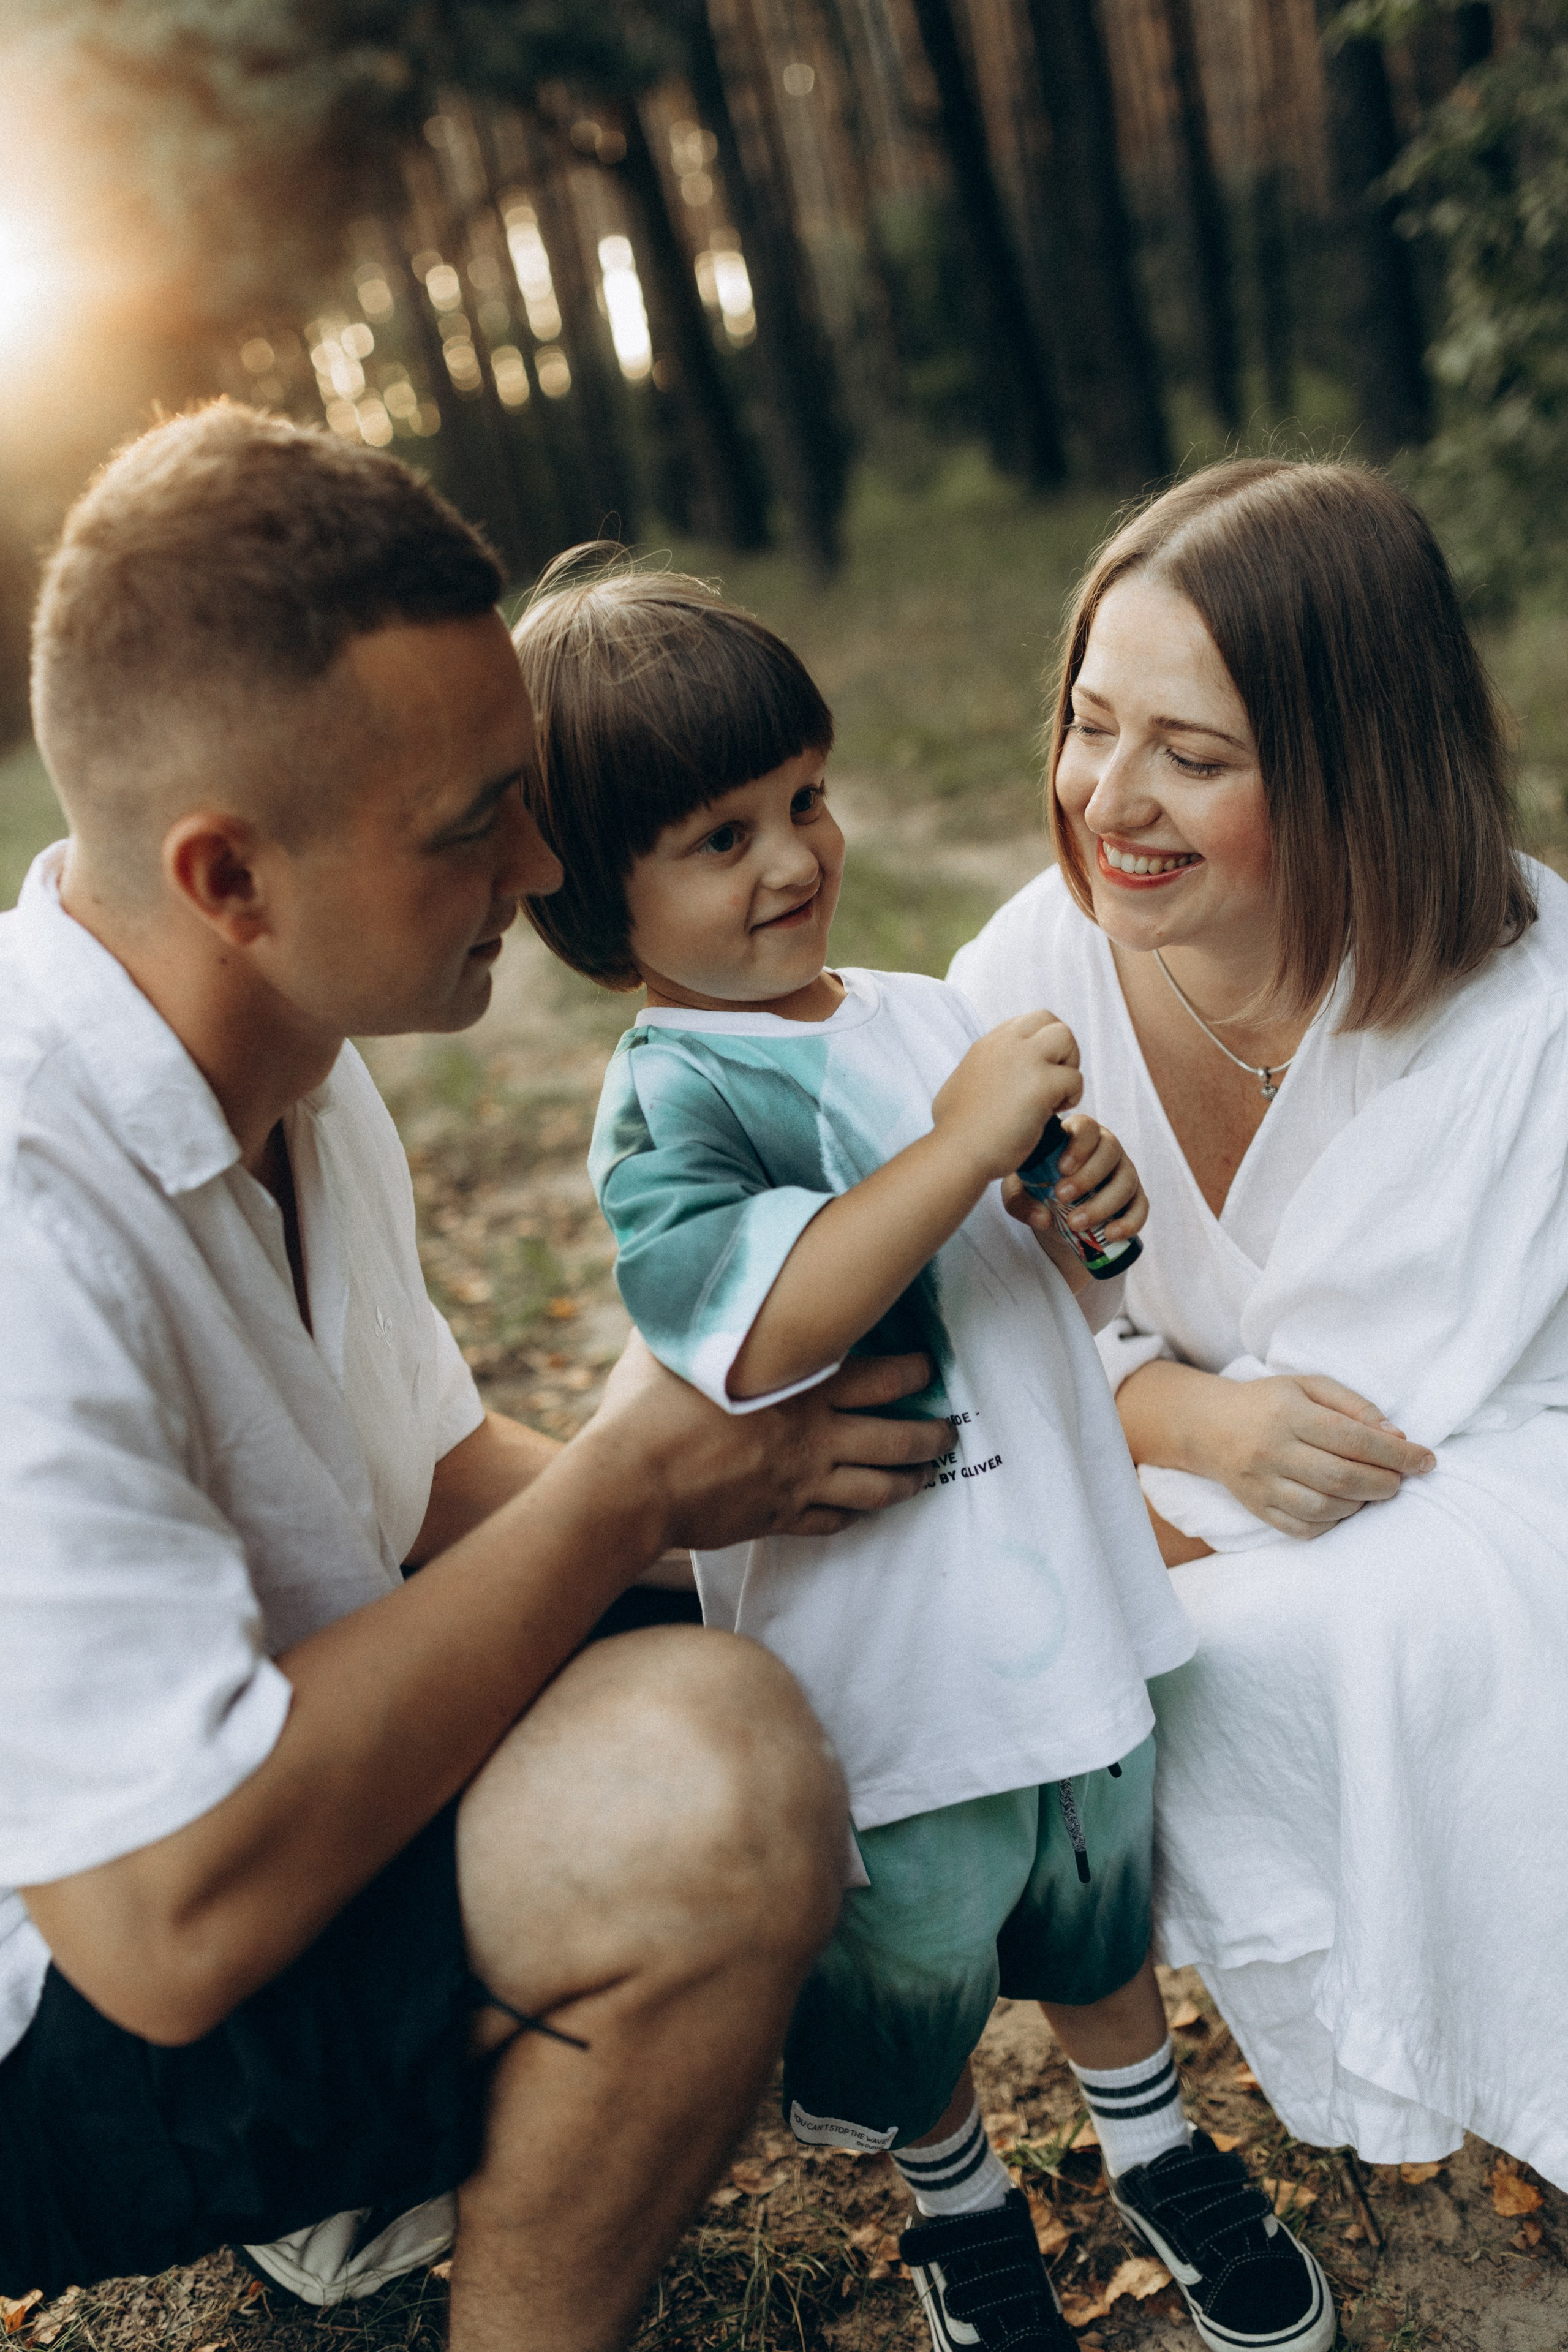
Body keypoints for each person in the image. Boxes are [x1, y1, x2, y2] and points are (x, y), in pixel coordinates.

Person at [0, 405, 956, 2344]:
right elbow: (162, 1926)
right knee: (709, 1786)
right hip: (70, 1990)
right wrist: (628, 1492)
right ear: (229, 879)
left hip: (209, 1861)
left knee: (761, 1649)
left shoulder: (299, 1067)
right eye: (470, 825)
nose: (542, 861)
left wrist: (797, 1515)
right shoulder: (28, 1210)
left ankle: (363, 2181)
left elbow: (429, 1481)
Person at [512, 559, 1336, 2352]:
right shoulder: (671, 1093)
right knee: (917, 1970)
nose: (794, 859)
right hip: (877, 1652)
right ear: (596, 898)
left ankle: (1158, 2147)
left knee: (1093, 1903)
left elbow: (1038, 1240)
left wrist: (1079, 1209)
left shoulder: (911, 1010)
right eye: (718, 840)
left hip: (1052, 1578)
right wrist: (966, 1146)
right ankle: (957, 2202)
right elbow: (763, 1326)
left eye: (801, 799)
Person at [949, 458, 1568, 2193]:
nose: (1109, 800)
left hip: (1486, 1468)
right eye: (1090, 723)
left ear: (1356, 763)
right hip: (1204, 1477)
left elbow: (1419, 1421)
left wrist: (1180, 1461)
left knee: (1402, 1635)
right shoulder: (1032, 976)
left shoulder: (1521, 1014)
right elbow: (981, 1310)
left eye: (1194, 757)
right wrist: (1177, 1423)